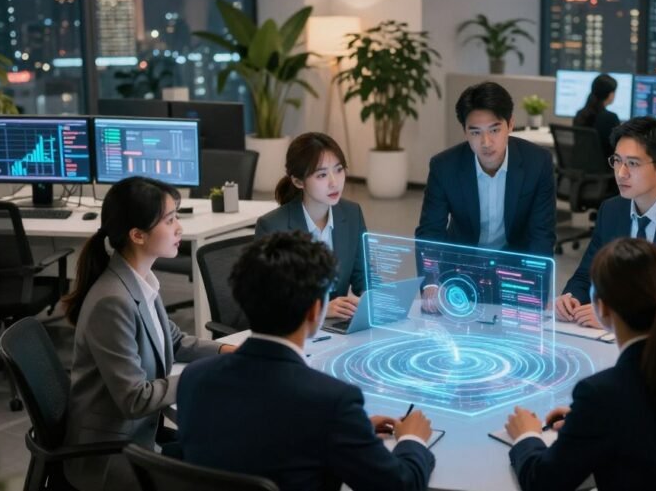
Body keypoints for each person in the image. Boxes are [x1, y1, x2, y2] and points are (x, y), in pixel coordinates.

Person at [177, 232, 436, 491]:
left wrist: (350, 432)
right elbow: (402, 485)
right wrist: (412, 440)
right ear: (315, 311)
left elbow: (259, 435)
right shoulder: (332, 402)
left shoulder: (194, 377)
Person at [504, 238, 656, 491]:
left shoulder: (601, 394)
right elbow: (653, 429)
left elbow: (541, 483)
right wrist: (585, 422)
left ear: (600, 307)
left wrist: (526, 435)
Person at [61, 176, 232, 491]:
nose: (179, 228)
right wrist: (202, 375)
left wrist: (225, 352)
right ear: (137, 235)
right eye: (169, 220)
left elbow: (176, 340)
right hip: (109, 457)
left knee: (226, 456)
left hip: (139, 436)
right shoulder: (113, 301)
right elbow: (134, 399)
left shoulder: (141, 279)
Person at [556, 117, 656, 331]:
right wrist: (570, 299)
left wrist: (620, 319)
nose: (621, 173)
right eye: (617, 160)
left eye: (632, 163)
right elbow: (587, 275)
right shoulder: (611, 211)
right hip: (617, 338)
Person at [416, 82, 556, 309]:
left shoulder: (537, 162)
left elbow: (541, 234)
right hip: (461, 267)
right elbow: (431, 232)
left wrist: (538, 289)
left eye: (494, 129)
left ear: (510, 125)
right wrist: (431, 284)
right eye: (475, 132)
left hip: (515, 268)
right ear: (465, 132)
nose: (486, 143)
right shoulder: (444, 166)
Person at [255, 132, 368, 320]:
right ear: (298, 181)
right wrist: (321, 310)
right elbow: (267, 300)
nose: (334, 182)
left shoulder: (351, 213)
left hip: (338, 329)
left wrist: (370, 297)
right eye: (322, 175)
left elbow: (364, 276)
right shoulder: (272, 226)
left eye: (339, 170)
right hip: (293, 331)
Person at [572, 73, 620, 157]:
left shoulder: (580, 114)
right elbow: (618, 147)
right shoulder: (611, 118)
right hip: (604, 167)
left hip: (581, 166)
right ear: (610, 94)